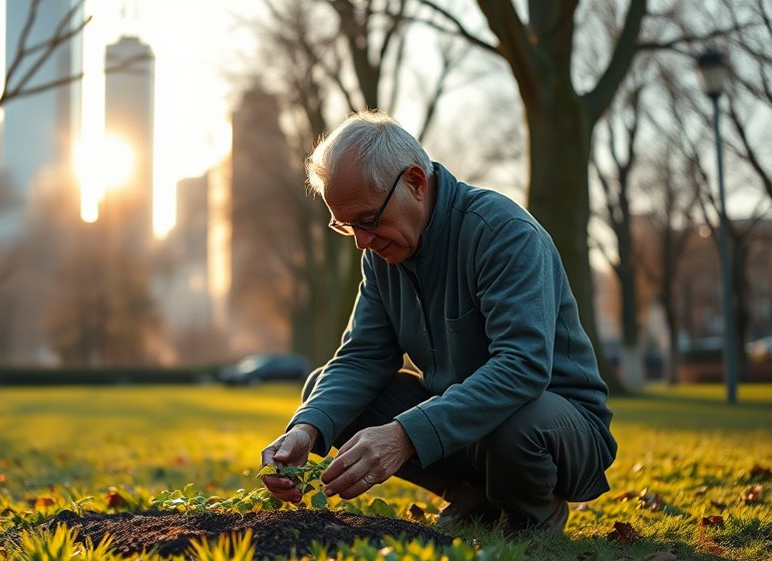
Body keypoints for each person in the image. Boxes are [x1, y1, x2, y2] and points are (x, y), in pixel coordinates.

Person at [260, 110, 617, 535]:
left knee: (514, 423)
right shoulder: (381, 255)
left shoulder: (502, 233)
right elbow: (360, 358)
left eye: (369, 219)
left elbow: (523, 368)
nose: (362, 241)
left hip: (556, 426)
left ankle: (532, 510)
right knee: (330, 394)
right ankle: (475, 496)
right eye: (346, 225)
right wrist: (307, 427)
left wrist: (404, 435)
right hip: (471, 428)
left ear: (415, 181)